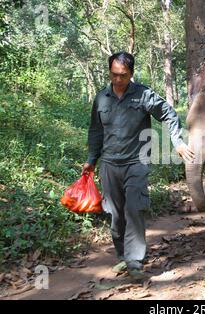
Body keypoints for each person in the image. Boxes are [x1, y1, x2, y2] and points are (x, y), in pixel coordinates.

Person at [82, 52, 194, 279]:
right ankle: (123, 256)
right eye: (113, 75)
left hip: (136, 162)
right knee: (115, 214)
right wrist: (91, 159)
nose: (117, 80)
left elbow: (169, 114)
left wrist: (178, 142)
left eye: (122, 75)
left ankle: (134, 262)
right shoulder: (101, 98)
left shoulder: (143, 95)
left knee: (134, 209)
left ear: (131, 73)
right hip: (110, 164)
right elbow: (95, 130)